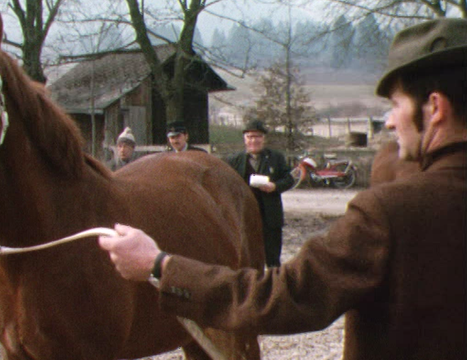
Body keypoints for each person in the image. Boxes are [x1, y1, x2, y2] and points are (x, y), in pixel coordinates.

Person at [98, 18, 466, 360]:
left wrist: (159, 265)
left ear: (434, 107)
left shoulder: (390, 213)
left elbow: (285, 297)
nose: (388, 121)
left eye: (396, 105)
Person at [225, 120, 294, 267]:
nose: (253, 140)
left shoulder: (276, 158)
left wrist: (275, 186)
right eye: (249, 137)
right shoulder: (234, 161)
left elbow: (289, 179)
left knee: (273, 259)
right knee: (247, 257)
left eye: (257, 136)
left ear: (263, 139)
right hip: (244, 216)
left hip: (270, 216)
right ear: (244, 139)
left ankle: (275, 287)